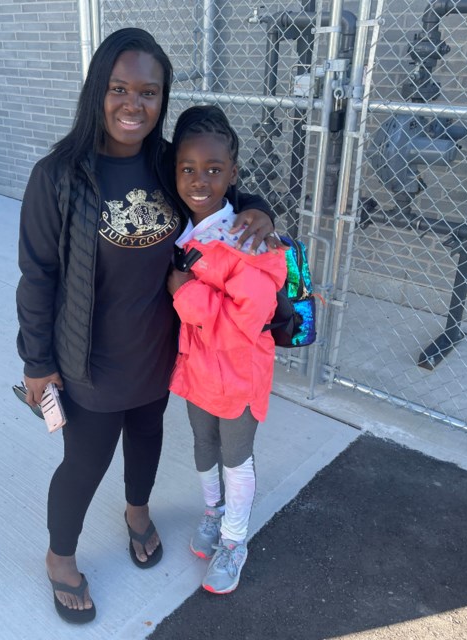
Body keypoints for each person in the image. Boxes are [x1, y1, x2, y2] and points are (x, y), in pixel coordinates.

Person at [15, 28, 281, 624]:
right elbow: (37, 276)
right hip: (91, 358)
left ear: (163, 99)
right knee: (85, 461)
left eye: (149, 92)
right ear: (97, 92)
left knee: (147, 438)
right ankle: (61, 558)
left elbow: (219, 190)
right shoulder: (58, 176)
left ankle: (138, 512)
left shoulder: (166, 164)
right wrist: (37, 362)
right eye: (119, 89)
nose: (133, 105)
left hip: (161, 349)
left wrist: (262, 208)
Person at [166, 105, 288, 595]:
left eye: (214, 170)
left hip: (238, 374)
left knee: (236, 457)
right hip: (198, 371)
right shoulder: (183, 230)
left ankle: (235, 540)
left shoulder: (246, 237)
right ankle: (213, 514)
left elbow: (249, 319)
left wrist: (184, 293)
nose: (200, 180)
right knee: (202, 445)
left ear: (233, 175)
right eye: (188, 169)